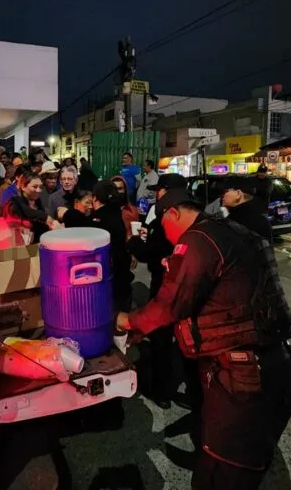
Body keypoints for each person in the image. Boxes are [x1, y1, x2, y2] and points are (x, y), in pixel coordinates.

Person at [115, 189, 291, 488]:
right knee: (251, 465)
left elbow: (170, 305)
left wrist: (127, 322)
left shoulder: (197, 239)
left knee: (221, 475)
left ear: (173, 213)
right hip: (280, 367)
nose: (166, 235)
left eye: (163, 225)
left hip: (242, 380)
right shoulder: (235, 230)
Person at [125, 173, 187, 409]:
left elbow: (152, 253)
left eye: (160, 189)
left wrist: (134, 243)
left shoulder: (169, 219)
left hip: (166, 285)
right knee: (178, 339)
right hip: (183, 287)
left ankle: (160, 389)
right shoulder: (185, 217)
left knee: (161, 338)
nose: (156, 193)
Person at [92, 180, 133, 311]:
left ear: (95, 198)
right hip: (122, 275)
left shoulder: (97, 219)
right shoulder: (117, 213)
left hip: (107, 277)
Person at [4, 172, 59, 243]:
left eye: (40, 187)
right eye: (35, 187)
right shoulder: (15, 202)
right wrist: (46, 218)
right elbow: (27, 211)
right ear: (23, 187)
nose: (39, 190)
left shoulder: (38, 201)